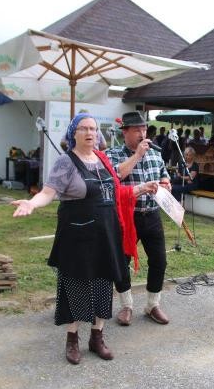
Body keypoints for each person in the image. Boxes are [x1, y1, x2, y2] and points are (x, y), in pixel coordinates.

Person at [11, 113, 158, 365]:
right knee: (75, 286)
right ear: (73, 134)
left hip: (105, 234)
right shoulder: (65, 162)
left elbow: (115, 185)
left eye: (93, 128)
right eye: (84, 128)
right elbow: (48, 193)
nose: (90, 133)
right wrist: (32, 203)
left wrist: (140, 188)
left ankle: (97, 337)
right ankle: (72, 339)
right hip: (76, 235)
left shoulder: (102, 158)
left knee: (103, 284)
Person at [106, 111, 173, 326]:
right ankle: (126, 306)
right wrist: (137, 155)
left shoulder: (155, 153)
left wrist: (165, 182)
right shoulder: (114, 153)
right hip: (126, 216)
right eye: (137, 130)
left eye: (144, 129)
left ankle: (152, 305)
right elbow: (117, 176)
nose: (142, 134)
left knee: (159, 261)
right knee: (121, 262)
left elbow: (163, 172)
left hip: (152, 214)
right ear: (124, 132)